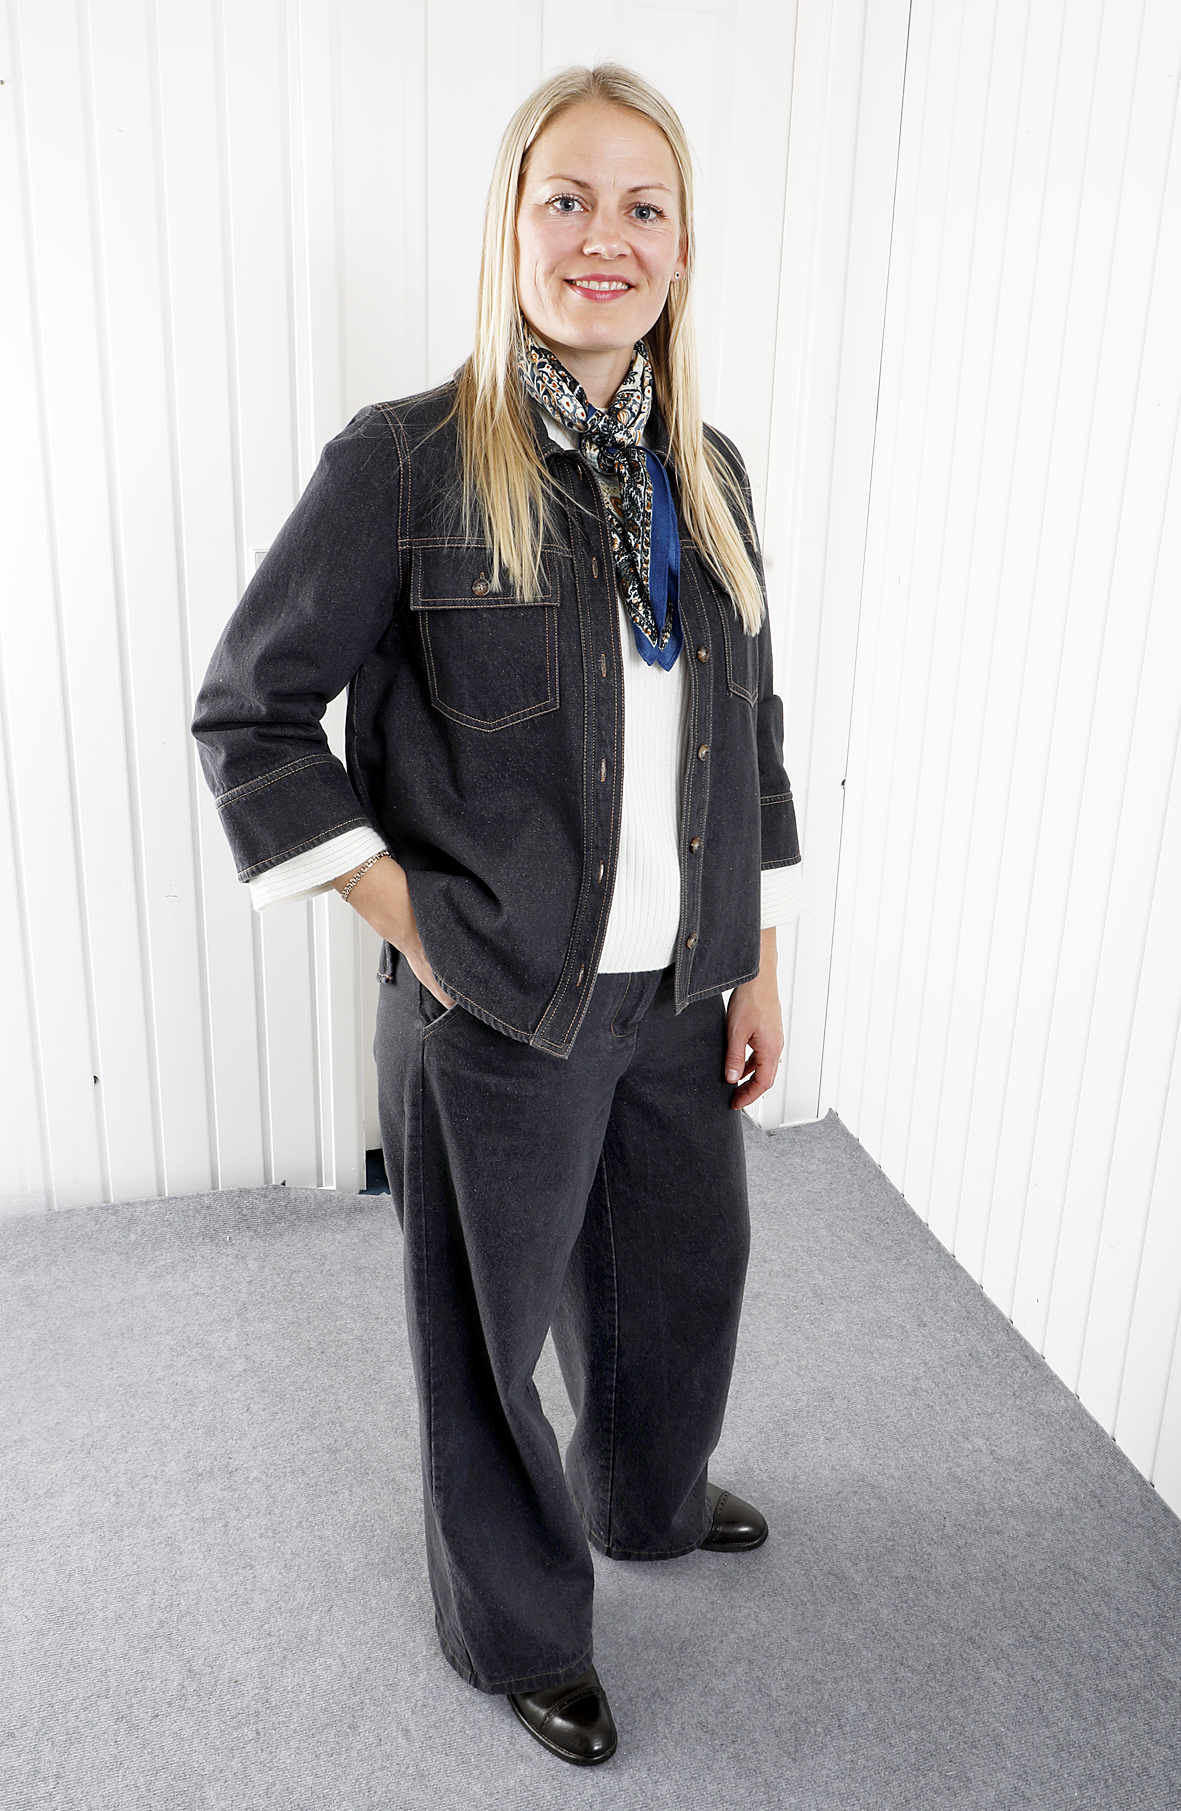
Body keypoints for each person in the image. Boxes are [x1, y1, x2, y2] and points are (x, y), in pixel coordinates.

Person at [191, 62, 802, 1767]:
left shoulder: (708, 472)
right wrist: (411, 920)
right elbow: (250, 715)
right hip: (497, 995)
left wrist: (759, 957)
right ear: (510, 227)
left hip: (683, 984)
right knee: (486, 1338)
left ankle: (649, 1498)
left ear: (683, 249)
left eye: (643, 207)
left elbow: (746, 730)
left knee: (682, 1283)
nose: (606, 236)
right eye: (568, 198)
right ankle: (522, 1628)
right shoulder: (401, 461)